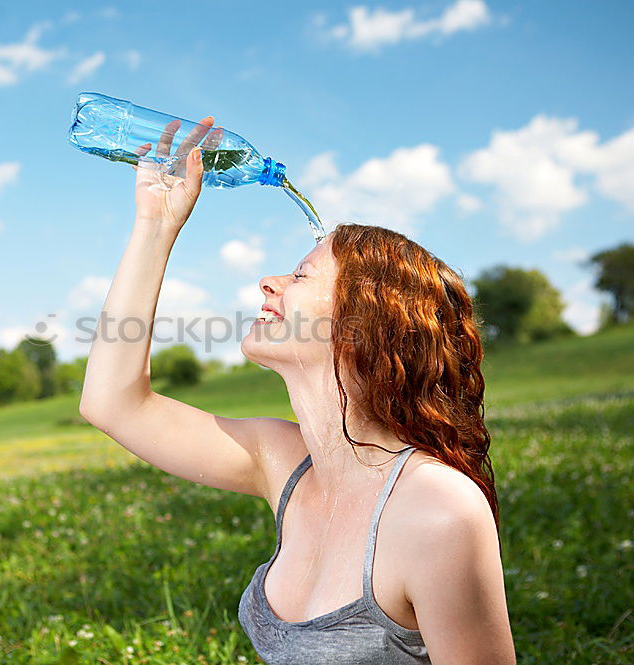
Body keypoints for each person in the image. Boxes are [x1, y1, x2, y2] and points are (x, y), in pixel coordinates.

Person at [79, 116, 517, 664]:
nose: (269, 281)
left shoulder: (438, 510)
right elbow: (112, 403)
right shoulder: (286, 463)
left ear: (365, 326)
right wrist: (155, 225)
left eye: (302, 275)